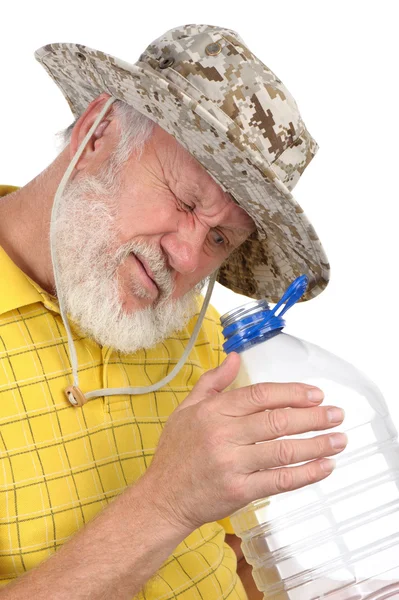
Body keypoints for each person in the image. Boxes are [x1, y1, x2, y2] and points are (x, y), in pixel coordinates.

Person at [0, 24, 347, 599]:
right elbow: (179, 505)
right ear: (96, 134)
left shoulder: (197, 336)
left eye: (218, 241)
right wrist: (167, 503)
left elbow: (239, 559)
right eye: (185, 201)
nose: (185, 256)